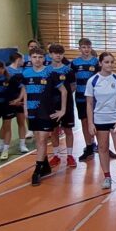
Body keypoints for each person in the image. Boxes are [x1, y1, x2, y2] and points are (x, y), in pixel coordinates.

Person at [20, 47, 67, 185]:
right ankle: (45, 165)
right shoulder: (26, 73)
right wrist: (25, 107)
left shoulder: (50, 72)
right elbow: (25, 91)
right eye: (34, 57)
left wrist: (62, 110)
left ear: (44, 58)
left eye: (40, 57)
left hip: (46, 112)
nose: (37, 60)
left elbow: (63, 91)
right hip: (32, 111)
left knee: (42, 139)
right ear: (30, 58)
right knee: (38, 139)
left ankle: (37, 170)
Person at [85, 52, 116, 190]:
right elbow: (89, 103)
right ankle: (107, 177)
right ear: (100, 63)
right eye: (107, 62)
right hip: (100, 119)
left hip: (115, 119)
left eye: (112, 62)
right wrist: (90, 123)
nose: (110, 65)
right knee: (103, 148)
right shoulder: (92, 81)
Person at [47, 44, 77, 169]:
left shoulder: (68, 70)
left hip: (67, 104)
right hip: (51, 105)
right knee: (54, 131)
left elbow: (73, 86)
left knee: (68, 130)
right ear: (50, 54)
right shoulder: (46, 70)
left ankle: (69, 155)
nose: (58, 55)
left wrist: (65, 98)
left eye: (60, 53)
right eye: (55, 53)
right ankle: (56, 155)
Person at [71, 38, 101, 163]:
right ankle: (89, 147)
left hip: (95, 98)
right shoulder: (74, 63)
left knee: (97, 122)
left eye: (88, 47)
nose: (86, 49)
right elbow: (72, 81)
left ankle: (102, 146)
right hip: (80, 96)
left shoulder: (96, 62)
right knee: (84, 122)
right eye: (83, 47)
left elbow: (101, 79)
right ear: (79, 49)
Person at [0, 60, 20, 161]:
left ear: (4, 68)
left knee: (7, 127)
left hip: (7, 106)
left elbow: (22, 88)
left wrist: (18, 100)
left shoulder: (10, 78)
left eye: (0, 68)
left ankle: (5, 150)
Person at [6, 52, 30, 153]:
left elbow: (24, 87)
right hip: (9, 100)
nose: (24, 61)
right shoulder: (6, 70)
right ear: (18, 59)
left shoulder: (23, 71)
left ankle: (22, 144)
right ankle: (4, 145)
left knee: (21, 122)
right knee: (6, 124)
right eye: (23, 59)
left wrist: (19, 99)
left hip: (20, 99)